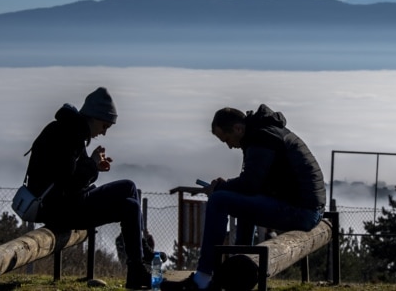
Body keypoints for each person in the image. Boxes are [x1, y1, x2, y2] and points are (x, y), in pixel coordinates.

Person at [162, 104, 326, 291]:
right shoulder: (266, 132)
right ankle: (237, 265)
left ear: (238, 128)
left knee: (219, 200)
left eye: (227, 139)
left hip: (302, 212)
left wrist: (220, 187)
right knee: (235, 199)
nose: (230, 145)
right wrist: (227, 186)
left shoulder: (261, 137)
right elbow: (254, 184)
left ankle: (202, 279)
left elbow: (250, 184)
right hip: (307, 208)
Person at [24, 87, 155, 289]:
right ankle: (137, 269)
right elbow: (68, 182)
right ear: (94, 118)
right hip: (59, 209)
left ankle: (142, 256)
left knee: (129, 189)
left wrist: (94, 166)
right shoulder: (70, 135)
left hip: (64, 202)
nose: (103, 132)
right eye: (104, 126)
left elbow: (73, 175)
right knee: (129, 205)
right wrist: (92, 164)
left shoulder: (69, 129)